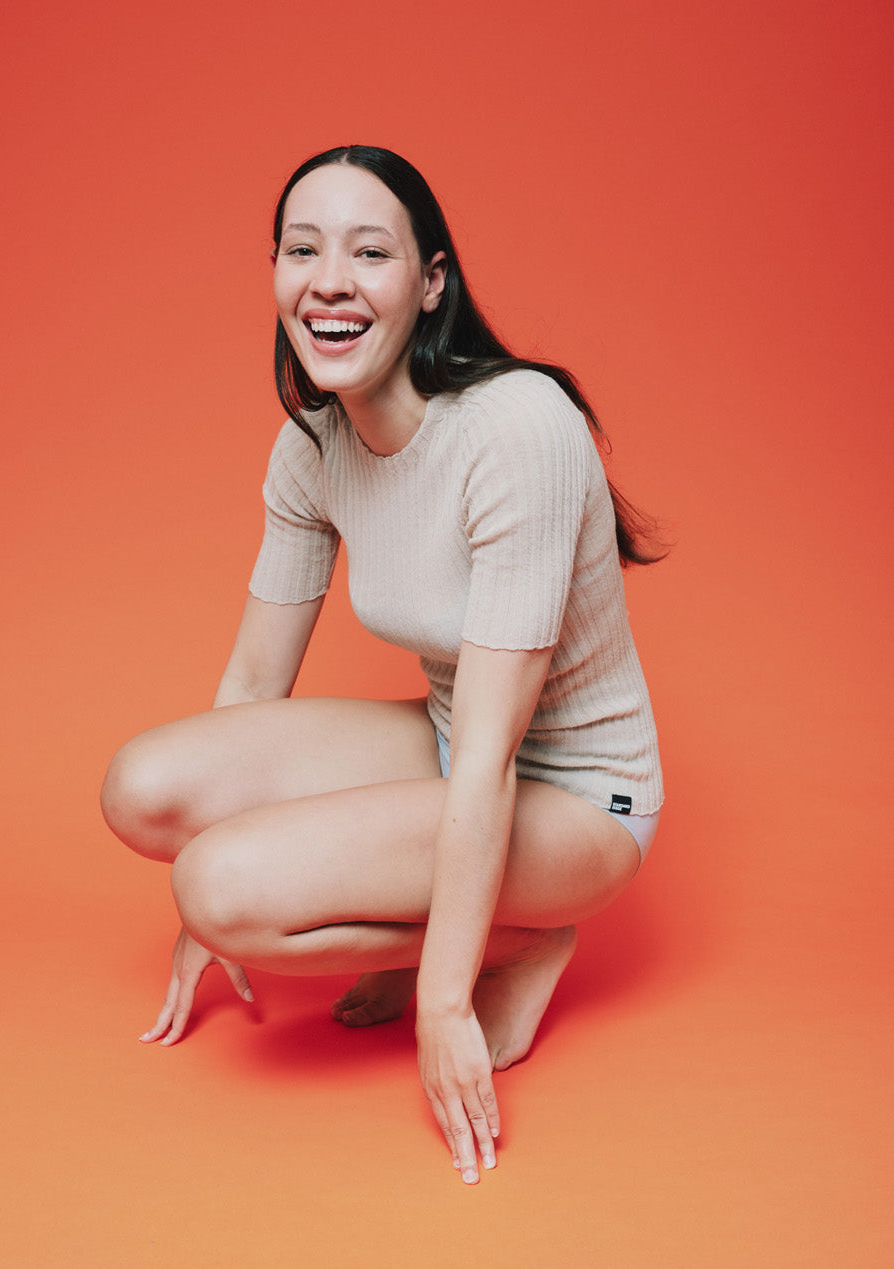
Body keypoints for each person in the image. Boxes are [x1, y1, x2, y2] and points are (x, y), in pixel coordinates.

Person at [101, 145, 664, 1185]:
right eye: (302, 249)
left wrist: (441, 1001)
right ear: (275, 275)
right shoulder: (313, 446)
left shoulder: (518, 429)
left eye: (371, 252)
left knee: (221, 885)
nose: (330, 280)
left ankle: (518, 941)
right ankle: (476, 922)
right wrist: (198, 912)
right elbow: (249, 693)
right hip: (454, 748)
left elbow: (494, 756)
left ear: (431, 284)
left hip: (577, 798)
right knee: (142, 788)